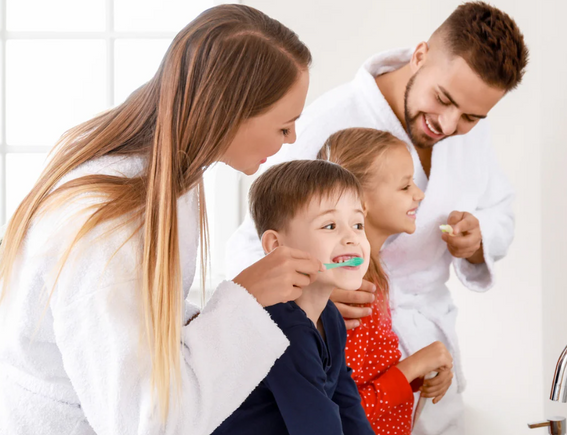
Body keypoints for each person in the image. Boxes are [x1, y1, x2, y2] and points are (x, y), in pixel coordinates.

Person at [0, 5, 322, 435]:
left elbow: (136, 317)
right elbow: (143, 422)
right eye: (284, 126)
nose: (292, 140)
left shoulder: (170, 178)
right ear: (226, 112)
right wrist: (245, 300)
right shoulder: (107, 230)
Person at [226, 3, 529, 434]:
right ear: (420, 56)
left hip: (421, 346)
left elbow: (501, 208)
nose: (448, 124)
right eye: (443, 99)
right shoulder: (326, 124)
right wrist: (314, 296)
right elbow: (256, 241)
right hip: (352, 335)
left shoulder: (469, 129)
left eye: (471, 117)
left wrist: (479, 238)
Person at [214, 160, 374, 435]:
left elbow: (347, 406)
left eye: (358, 224)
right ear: (276, 246)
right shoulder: (283, 328)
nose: (352, 238)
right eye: (330, 226)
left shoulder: (330, 316)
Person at [318, 128, 453, 435]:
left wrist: (422, 375)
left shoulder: (372, 275)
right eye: (405, 186)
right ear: (361, 203)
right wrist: (416, 364)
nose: (418, 194)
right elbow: (340, 411)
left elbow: (365, 380)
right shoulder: (353, 289)